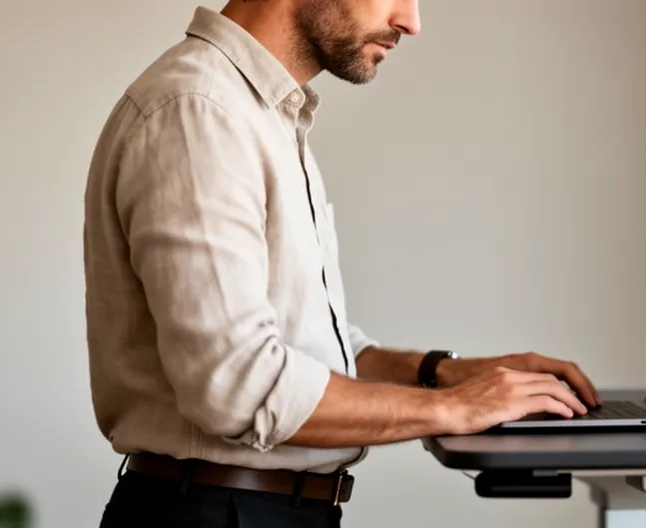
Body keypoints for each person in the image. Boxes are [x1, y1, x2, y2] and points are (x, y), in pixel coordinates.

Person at [83, 1, 602, 526]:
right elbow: (240, 382)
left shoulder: (260, 112)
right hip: (220, 513)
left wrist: (445, 374)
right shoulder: (199, 112)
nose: (411, 21)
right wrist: (457, 409)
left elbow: (302, 349)